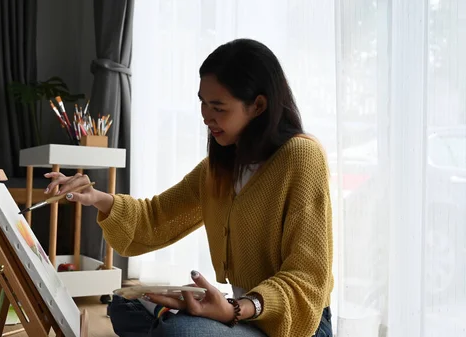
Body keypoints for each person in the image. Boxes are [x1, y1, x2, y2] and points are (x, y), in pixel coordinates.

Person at [44, 38, 334, 337]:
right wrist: (97, 198)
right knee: (124, 304)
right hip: (239, 312)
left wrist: (236, 309)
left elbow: (307, 276)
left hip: (294, 323)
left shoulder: (301, 156)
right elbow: (156, 217)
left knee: (179, 332)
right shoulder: (219, 167)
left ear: (258, 105)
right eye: (203, 103)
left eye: (218, 107)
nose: (206, 116)